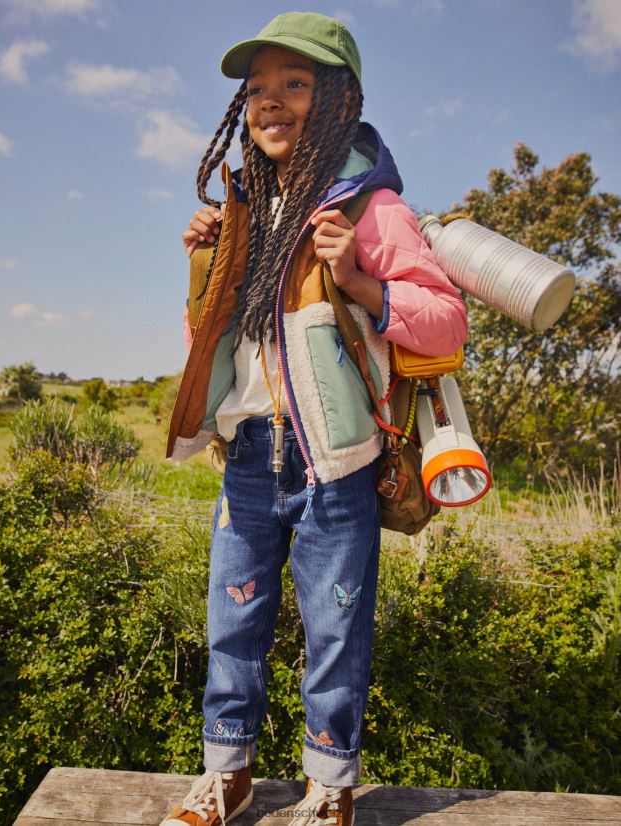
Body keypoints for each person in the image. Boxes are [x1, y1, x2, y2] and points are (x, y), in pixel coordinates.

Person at [161, 11, 467, 826]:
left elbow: (446, 323)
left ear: (337, 96)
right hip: (250, 451)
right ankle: (227, 776)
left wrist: (363, 283)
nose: (270, 103)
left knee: (334, 632)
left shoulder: (371, 210)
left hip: (338, 460)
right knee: (233, 620)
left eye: (293, 84)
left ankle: (328, 787)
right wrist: (205, 262)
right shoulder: (244, 210)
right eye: (256, 90)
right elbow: (216, 344)